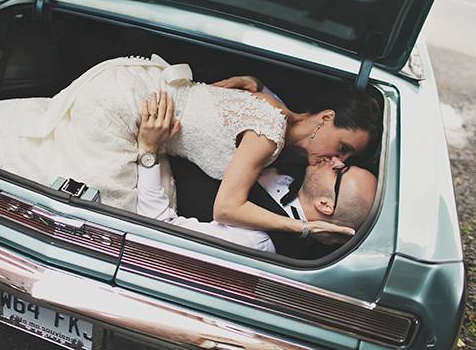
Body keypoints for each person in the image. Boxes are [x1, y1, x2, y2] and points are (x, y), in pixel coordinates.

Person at [0, 54, 379, 236]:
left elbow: (242, 94)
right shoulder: (267, 138)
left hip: (132, 83)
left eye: (346, 159)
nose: (336, 159)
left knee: (52, 135)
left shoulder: (269, 103)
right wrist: (302, 228)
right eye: (343, 145)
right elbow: (226, 209)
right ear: (326, 117)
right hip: (130, 108)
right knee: (111, 215)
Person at [135, 94, 378, 253]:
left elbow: (158, 228)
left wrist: (148, 151)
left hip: (143, 166)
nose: (336, 161)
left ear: (325, 204)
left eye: (342, 169)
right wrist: (260, 91)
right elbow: (280, 125)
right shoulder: (295, 167)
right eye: (343, 152)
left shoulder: (257, 240)